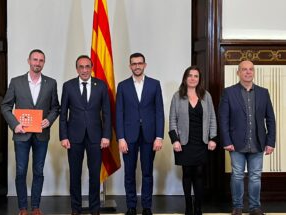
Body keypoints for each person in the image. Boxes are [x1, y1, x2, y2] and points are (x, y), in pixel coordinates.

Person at [1, 49, 60, 215]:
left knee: (38, 171)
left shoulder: (51, 83)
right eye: (35, 60)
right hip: (21, 134)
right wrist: (15, 124)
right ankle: (22, 207)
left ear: (44, 63)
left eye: (41, 60)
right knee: (20, 171)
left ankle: (35, 206)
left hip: (41, 134)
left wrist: (48, 120)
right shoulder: (16, 82)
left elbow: (56, 107)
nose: (37, 63)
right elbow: (5, 107)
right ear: (28, 61)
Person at [219, 60, 276, 215]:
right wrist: (226, 141)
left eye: (251, 69)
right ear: (238, 73)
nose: (248, 72)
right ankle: (237, 207)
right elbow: (223, 118)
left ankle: (254, 207)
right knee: (237, 175)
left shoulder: (263, 92)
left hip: (258, 142)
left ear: (254, 72)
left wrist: (270, 142)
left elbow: (270, 118)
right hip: (235, 144)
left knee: (255, 177)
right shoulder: (229, 92)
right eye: (244, 69)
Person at [59, 55, 111, 215]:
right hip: (73, 137)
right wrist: (63, 136)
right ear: (77, 69)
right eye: (81, 67)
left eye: (87, 66)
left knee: (95, 174)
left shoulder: (101, 86)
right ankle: (76, 208)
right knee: (75, 174)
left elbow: (107, 113)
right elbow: (63, 114)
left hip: (96, 137)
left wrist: (106, 135)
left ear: (92, 67)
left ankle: (95, 209)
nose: (84, 70)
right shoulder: (68, 86)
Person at [116, 53, 164, 215]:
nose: (137, 66)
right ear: (130, 66)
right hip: (128, 137)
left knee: (147, 172)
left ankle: (147, 207)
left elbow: (159, 112)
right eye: (134, 64)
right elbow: (119, 113)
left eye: (140, 63)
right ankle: (131, 206)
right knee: (129, 173)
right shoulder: (122, 86)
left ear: (145, 65)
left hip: (149, 137)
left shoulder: (154, 84)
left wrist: (159, 136)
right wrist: (120, 138)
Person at [168, 66, 217, 215]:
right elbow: (172, 120)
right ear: (185, 78)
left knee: (200, 173)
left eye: (196, 76)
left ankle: (198, 207)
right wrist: (175, 140)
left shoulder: (206, 95)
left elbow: (212, 118)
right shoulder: (178, 96)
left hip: (201, 142)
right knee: (187, 173)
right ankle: (188, 206)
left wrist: (213, 138)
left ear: (199, 79)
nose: (193, 78)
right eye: (190, 75)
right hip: (184, 142)